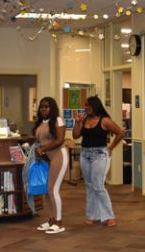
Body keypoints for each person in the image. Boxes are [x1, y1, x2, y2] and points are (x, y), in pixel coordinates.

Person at [73, 95, 124, 226]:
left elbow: (120, 132)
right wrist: (78, 122)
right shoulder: (84, 120)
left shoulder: (105, 120)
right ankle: (92, 214)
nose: (85, 108)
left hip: (100, 154)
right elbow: (75, 135)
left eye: (88, 105)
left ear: (94, 106)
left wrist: (111, 147)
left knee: (98, 185)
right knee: (89, 185)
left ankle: (108, 216)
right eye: (85, 105)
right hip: (85, 154)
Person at [31, 97, 68, 234]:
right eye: (41, 107)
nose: (43, 109)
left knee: (53, 188)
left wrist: (43, 149)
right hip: (46, 158)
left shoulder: (58, 120)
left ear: (52, 108)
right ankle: (51, 220)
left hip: (59, 155)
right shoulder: (41, 122)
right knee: (47, 190)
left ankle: (59, 222)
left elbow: (59, 140)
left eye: (46, 107)